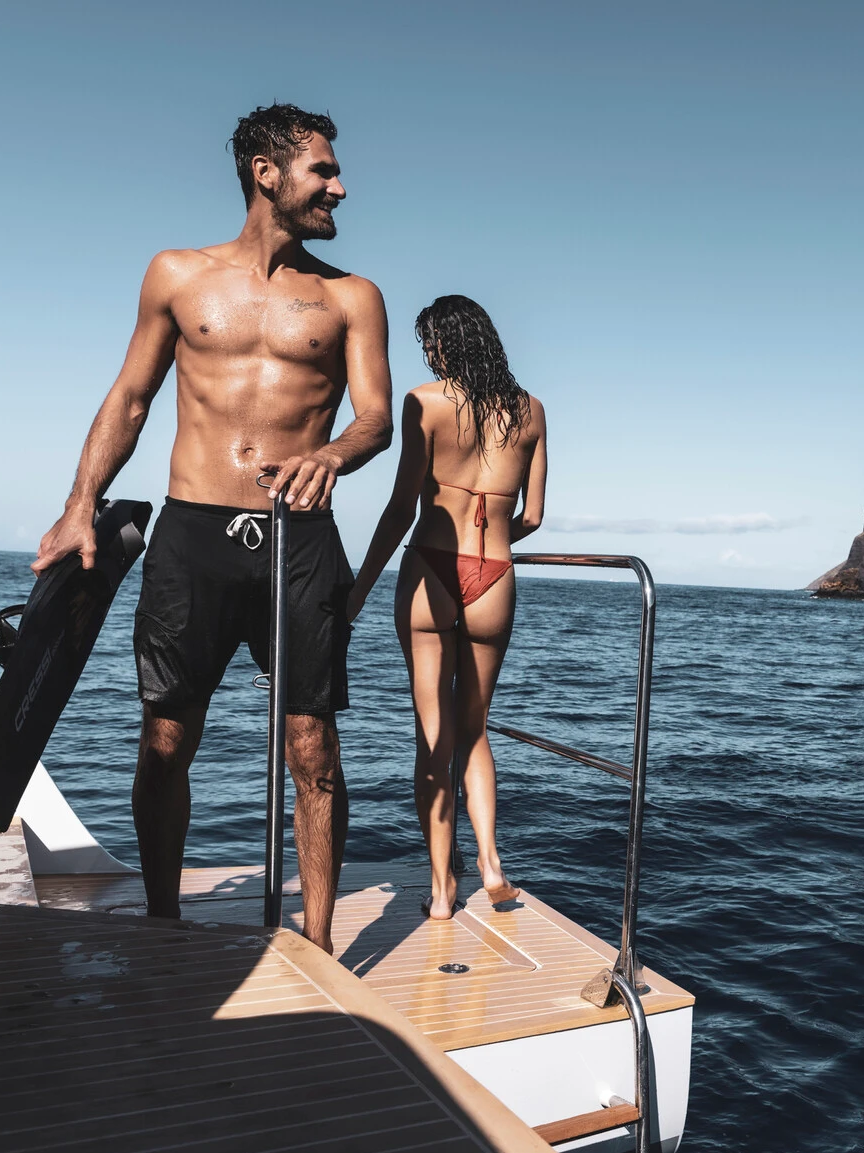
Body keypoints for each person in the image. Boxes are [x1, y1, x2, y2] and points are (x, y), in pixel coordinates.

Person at [32, 104, 393, 953]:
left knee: (314, 750)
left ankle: (320, 942)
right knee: (165, 738)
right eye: (322, 171)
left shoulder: (352, 297)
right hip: (192, 533)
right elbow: (130, 397)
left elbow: (375, 419)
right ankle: (163, 927)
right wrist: (81, 499)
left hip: (299, 541)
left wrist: (333, 455)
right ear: (266, 173)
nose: (340, 186)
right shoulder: (177, 274)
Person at [348, 296, 547, 920]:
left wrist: (357, 593)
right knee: (475, 730)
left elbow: (403, 506)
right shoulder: (531, 411)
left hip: (432, 566)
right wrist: (491, 548)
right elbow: (533, 516)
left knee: (432, 738)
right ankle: (491, 863)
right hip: (496, 572)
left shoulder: (423, 402)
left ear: (441, 345)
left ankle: (440, 891)